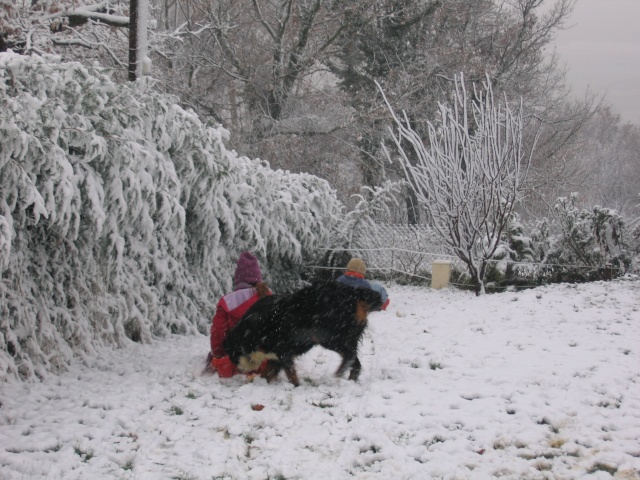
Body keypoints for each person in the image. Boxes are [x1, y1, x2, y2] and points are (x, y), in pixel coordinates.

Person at [207, 252, 271, 376]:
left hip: (236, 362)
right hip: (265, 362)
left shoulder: (228, 302)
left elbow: (218, 332)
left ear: (238, 278)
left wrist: (217, 355)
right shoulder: (269, 299)